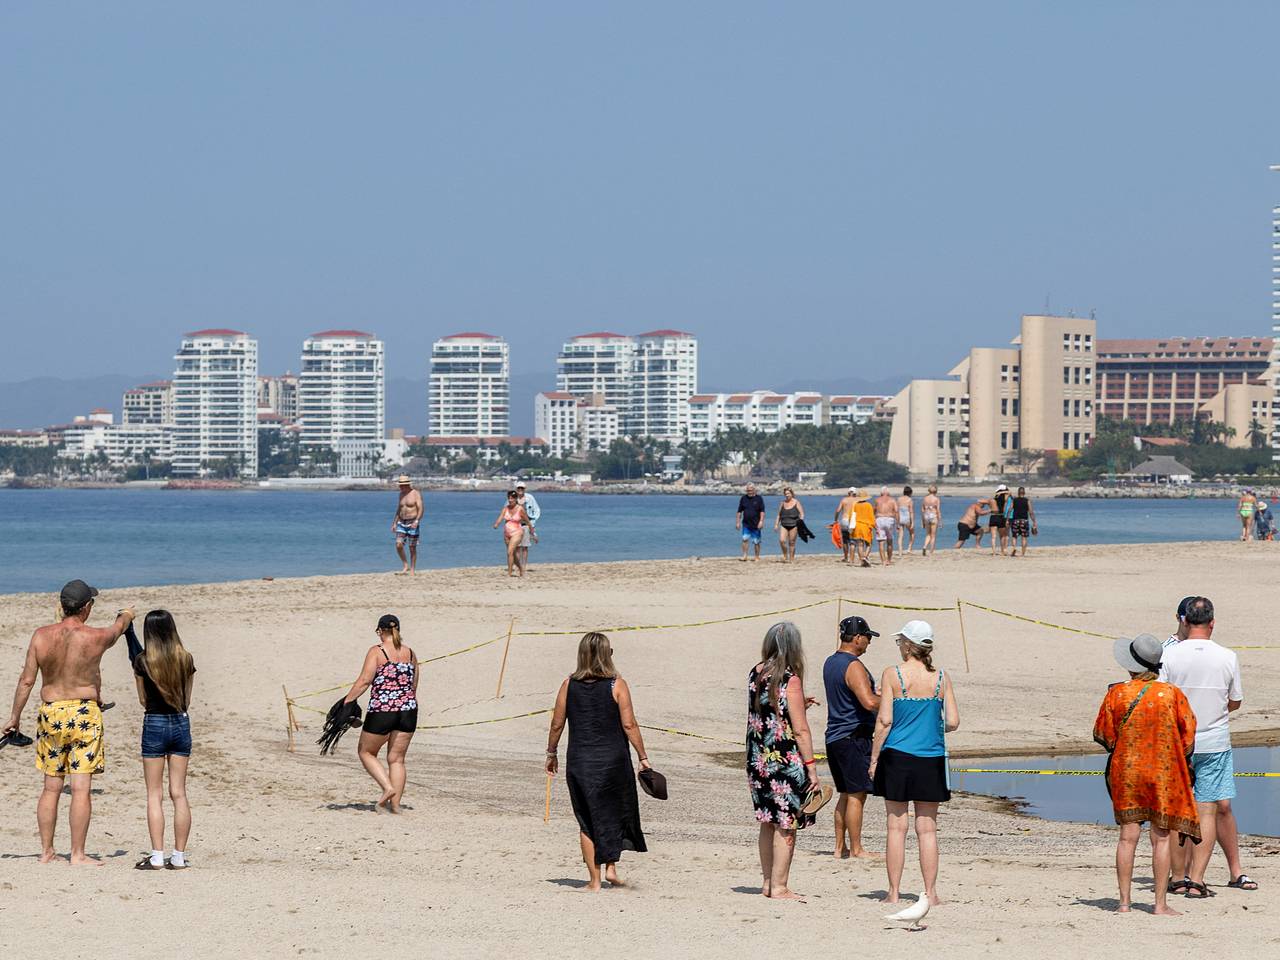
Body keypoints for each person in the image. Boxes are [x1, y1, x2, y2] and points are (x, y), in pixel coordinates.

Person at [3, 580, 135, 865]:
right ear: (86, 607)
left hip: (51, 712)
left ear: (62, 607)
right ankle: (77, 853)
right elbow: (117, 630)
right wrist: (126, 614)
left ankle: (47, 852)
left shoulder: (40, 636)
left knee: (51, 787)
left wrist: (14, 717)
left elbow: (27, 681)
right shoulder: (95, 637)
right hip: (83, 713)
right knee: (80, 788)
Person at [1093, 632, 1200, 915]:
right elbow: (1188, 736)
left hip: (1127, 772)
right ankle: (1160, 904)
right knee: (1161, 837)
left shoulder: (1116, 693)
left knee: (1127, 837)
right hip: (1163, 774)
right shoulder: (1172, 695)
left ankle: (1124, 903)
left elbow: (1105, 735)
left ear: (1130, 665)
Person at [1159, 597, 1256, 897]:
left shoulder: (1170, 655)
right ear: (1212, 622)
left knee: (1180, 811)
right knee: (1207, 811)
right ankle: (1196, 880)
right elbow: (1235, 700)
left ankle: (1179, 877)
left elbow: (1162, 699)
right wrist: (1215, 709)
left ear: (1185, 621)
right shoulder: (1227, 656)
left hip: (1179, 742)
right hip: (1213, 741)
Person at [545, 632, 650, 891]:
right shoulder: (617, 685)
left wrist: (551, 752)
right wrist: (643, 756)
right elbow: (629, 724)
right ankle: (611, 869)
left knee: (587, 818)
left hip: (581, 761)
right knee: (613, 813)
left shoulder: (568, 685)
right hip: (614, 761)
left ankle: (595, 880)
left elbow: (557, 723)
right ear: (607, 655)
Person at [869, 621, 959, 907]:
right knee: (927, 829)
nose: (899, 646)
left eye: (900, 642)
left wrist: (873, 758)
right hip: (930, 757)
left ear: (908, 645)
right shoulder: (941, 678)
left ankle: (893, 892)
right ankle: (930, 893)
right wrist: (929, 726)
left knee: (896, 827)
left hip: (897, 755)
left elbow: (884, 721)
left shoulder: (892, 675)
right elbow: (953, 721)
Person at [747, 622, 821, 901]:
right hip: (783, 762)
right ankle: (779, 887)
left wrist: (800, 701)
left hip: (757, 760)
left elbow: (768, 708)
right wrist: (812, 768)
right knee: (787, 824)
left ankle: (768, 882)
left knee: (767, 821)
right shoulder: (790, 680)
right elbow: (800, 730)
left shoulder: (756, 673)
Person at [132, 610, 197, 870]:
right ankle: (178, 856)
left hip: (155, 723)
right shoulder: (185, 658)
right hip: (181, 721)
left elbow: (142, 700)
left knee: (154, 794)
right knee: (179, 793)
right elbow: (188, 699)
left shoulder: (143, 661)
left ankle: (157, 855)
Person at [337, 614, 419, 813]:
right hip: (408, 710)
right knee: (397, 759)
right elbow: (414, 684)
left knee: (366, 752)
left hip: (383, 710)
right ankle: (396, 807)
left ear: (380, 631)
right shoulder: (410, 653)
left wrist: (347, 701)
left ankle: (388, 788)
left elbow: (365, 681)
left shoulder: (377, 651)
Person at [823, 616, 881, 860]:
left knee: (846, 793)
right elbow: (868, 702)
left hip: (835, 735)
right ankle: (856, 848)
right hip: (852, 736)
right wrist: (892, 702)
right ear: (857, 637)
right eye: (867, 637)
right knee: (857, 794)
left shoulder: (830, 661)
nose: (869, 642)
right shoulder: (853, 665)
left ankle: (840, 847)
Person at [492, 490, 531, 577]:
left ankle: (509, 573)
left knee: (509, 552)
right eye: (509, 498)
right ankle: (520, 568)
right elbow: (500, 518)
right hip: (507, 533)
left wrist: (532, 532)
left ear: (516, 499)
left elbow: (527, 521)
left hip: (517, 532)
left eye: (512, 498)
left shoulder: (520, 509)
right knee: (512, 553)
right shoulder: (505, 508)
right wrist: (496, 524)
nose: (510, 500)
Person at [391, 475, 424, 574]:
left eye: (402, 485)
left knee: (412, 547)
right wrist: (394, 523)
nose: (400, 487)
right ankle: (405, 565)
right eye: (400, 485)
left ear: (407, 484)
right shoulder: (401, 494)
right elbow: (399, 509)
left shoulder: (416, 494)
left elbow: (421, 509)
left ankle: (413, 569)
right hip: (402, 522)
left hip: (412, 522)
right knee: (398, 544)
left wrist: (417, 521)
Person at [774, 487, 805, 563]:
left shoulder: (796, 502)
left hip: (794, 525)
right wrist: (776, 524)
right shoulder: (782, 503)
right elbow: (778, 515)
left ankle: (791, 559)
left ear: (792, 494)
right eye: (785, 494)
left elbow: (802, 514)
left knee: (791, 542)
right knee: (782, 540)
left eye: (788, 493)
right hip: (784, 524)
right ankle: (785, 554)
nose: (787, 495)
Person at [736, 483, 766, 561]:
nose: (749, 492)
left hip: (756, 524)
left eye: (750, 490)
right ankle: (745, 555)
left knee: (756, 541)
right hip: (746, 524)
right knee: (744, 539)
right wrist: (738, 522)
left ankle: (756, 556)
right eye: (747, 490)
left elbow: (762, 511)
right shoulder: (743, 498)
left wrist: (761, 521)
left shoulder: (759, 498)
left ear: (754, 490)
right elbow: (739, 511)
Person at [516, 482, 541, 571]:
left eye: (522, 488)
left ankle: (524, 566)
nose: (520, 490)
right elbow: (506, 510)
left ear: (524, 489)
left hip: (526, 525)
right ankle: (519, 566)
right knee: (517, 547)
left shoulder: (530, 498)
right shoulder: (513, 497)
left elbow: (537, 509)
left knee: (525, 547)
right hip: (515, 526)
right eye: (519, 488)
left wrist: (533, 522)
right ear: (516, 489)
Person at [1009, 487, 1037, 556]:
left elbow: (1010, 510)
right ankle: (1022, 553)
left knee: (1014, 536)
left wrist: (1007, 519)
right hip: (1024, 520)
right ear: (1024, 493)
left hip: (1015, 520)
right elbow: (1031, 512)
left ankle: (1014, 548)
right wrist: (1034, 521)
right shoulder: (1027, 501)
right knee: (1024, 537)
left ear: (1018, 493)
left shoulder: (1014, 500)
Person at [833, 488, 859, 563]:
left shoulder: (844, 500)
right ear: (855, 493)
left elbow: (838, 510)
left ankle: (846, 557)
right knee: (853, 540)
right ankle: (852, 558)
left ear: (848, 493)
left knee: (845, 541)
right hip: (853, 521)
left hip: (844, 520)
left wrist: (835, 519)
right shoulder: (857, 500)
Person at [873, 486, 897, 566]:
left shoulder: (877, 500)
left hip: (879, 519)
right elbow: (896, 511)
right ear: (888, 492)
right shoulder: (892, 500)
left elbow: (873, 511)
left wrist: (873, 521)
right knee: (889, 541)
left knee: (881, 542)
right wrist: (898, 523)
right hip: (889, 519)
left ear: (881, 493)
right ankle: (889, 560)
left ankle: (883, 561)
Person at [852, 490, 876, 568]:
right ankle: (865, 557)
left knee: (860, 544)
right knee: (869, 543)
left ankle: (862, 560)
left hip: (857, 526)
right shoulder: (868, 505)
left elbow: (852, 516)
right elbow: (871, 517)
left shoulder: (855, 505)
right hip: (866, 526)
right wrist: (875, 526)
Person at [989, 484, 1011, 556]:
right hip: (1001, 517)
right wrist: (1003, 492)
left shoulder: (993, 499)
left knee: (993, 537)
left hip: (993, 517)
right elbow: (1009, 492)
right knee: (1002, 536)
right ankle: (1002, 551)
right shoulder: (1005, 497)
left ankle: (994, 552)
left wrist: (999, 492)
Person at [920, 485, 941, 557]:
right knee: (933, 535)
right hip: (933, 515)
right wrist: (940, 520)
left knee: (928, 534)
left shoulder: (925, 498)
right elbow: (938, 510)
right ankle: (931, 552)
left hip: (926, 515)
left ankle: (925, 546)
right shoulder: (936, 499)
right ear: (936, 491)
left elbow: (922, 510)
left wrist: (922, 521)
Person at [895, 486, 915, 555]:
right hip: (907, 518)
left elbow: (896, 511)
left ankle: (900, 551)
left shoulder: (899, 499)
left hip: (900, 518)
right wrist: (912, 522)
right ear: (910, 493)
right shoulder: (910, 500)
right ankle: (909, 548)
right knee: (912, 533)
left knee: (900, 536)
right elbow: (911, 512)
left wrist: (896, 522)